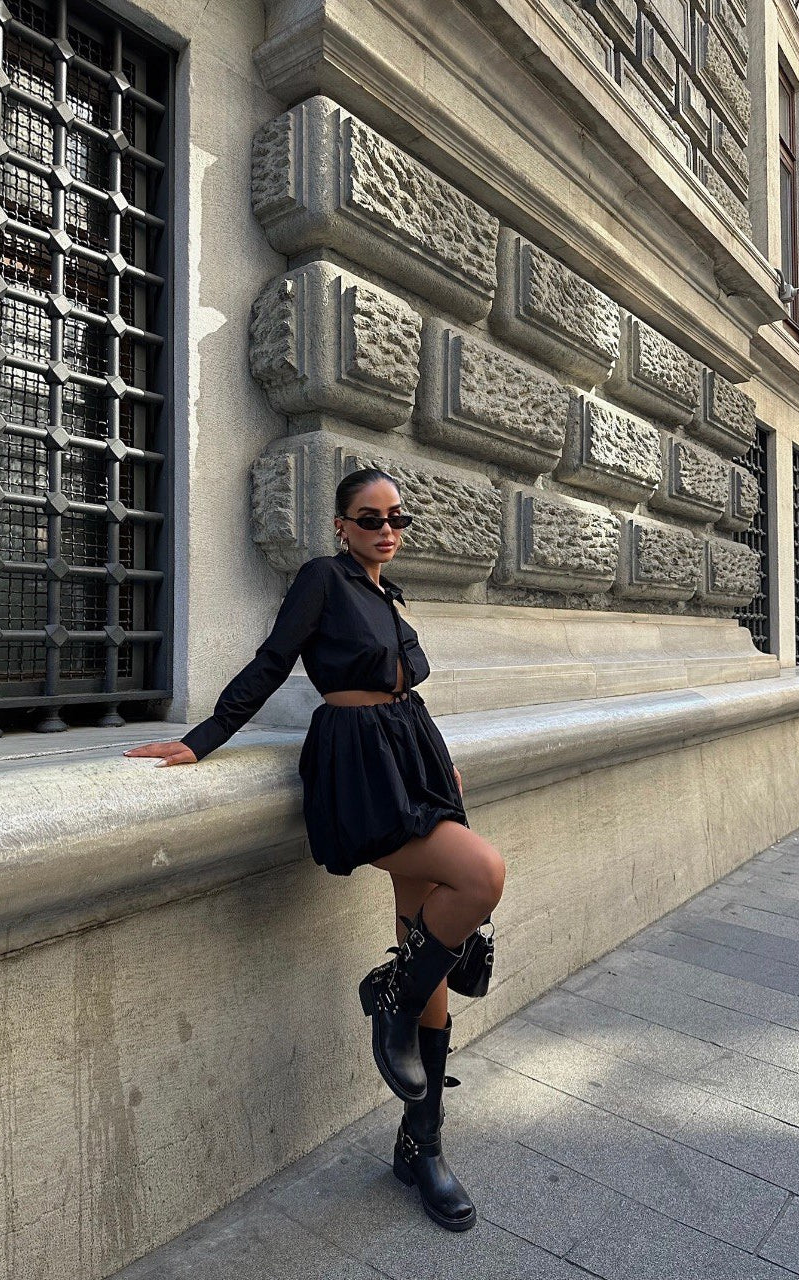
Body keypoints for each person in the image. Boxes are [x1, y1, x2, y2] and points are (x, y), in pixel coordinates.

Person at [124, 468, 507, 1232]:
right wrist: (202, 739)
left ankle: (420, 1147)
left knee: (424, 947)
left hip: (412, 759)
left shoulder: (384, 593)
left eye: (397, 518)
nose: (386, 530)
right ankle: (389, 997)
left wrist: (440, 759)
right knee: (480, 875)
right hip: (359, 766)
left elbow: (404, 690)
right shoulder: (321, 579)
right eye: (369, 518)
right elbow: (271, 662)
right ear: (340, 525)